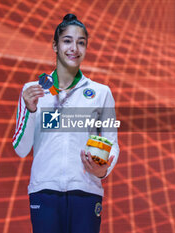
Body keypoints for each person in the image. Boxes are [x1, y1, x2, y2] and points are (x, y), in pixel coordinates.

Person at [12, 13, 119, 233]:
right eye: (67, 41)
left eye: (81, 43)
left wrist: (102, 171)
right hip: (45, 191)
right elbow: (21, 149)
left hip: (86, 191)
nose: (74, 48)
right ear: (55, 45)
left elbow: (112, 143)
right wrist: (31, 111)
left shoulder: (101, 93)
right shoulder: (33, 90)